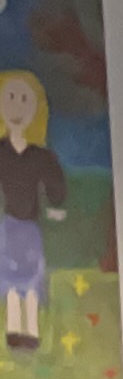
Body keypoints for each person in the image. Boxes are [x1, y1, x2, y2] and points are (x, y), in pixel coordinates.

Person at [0, 66, 66, 353]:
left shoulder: (41, 156)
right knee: (10, 282)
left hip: (30, 229)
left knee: (31, 281)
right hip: (8, 227)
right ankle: (14, 331)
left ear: (36, 108)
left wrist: (55, 207)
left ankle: (32, 331)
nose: (16, 106)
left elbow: (56, 187)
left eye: (24, 99)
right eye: (10, 98)